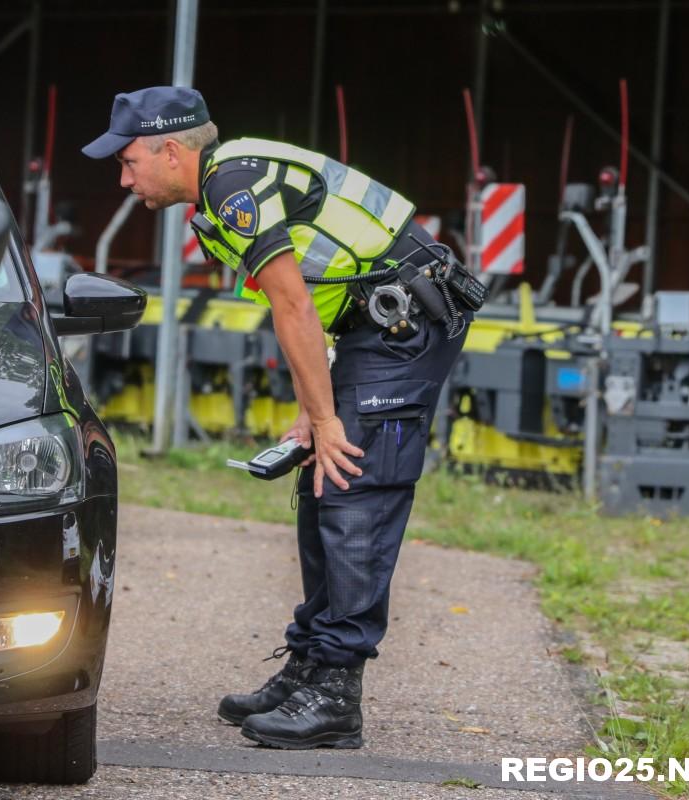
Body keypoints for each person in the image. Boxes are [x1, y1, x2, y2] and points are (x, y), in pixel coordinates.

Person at [83, 86, 476, 750]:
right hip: (367, 322)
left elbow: (294, 305)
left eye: (128, 163)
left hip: (407, 319)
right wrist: (308, 412)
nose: (124, 180)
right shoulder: (218, 195)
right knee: (319, 485)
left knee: (353, 485)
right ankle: (312, 663)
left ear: (171, 151)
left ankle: (336, 697)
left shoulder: (235, 188)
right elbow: (310, 299)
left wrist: (327, 419)